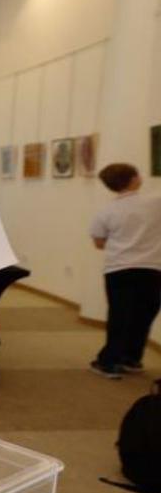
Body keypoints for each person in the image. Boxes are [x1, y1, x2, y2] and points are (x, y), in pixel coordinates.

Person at [89, 162, 161, 377]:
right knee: (145, 314)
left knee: (120, 316)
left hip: (118, 269)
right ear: (133, 179)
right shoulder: (155, 202)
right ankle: (131, 357)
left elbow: (99, 242)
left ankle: (109, 361)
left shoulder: (106, 211)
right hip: (152, 268)